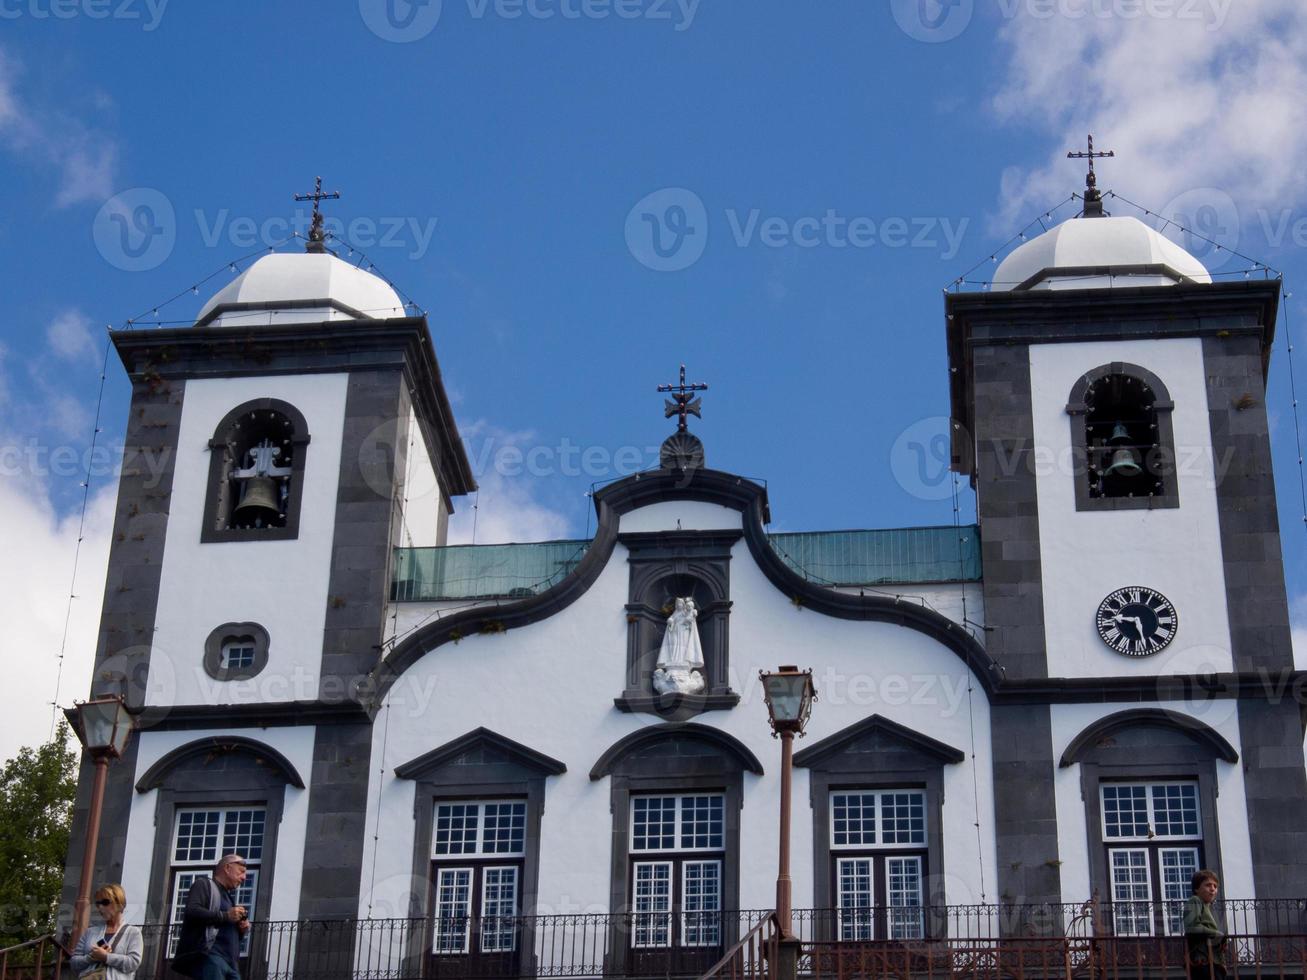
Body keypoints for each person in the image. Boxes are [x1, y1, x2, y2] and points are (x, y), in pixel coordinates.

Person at [171, 854, 251, 980]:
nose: (244, 877)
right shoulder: (204, 884)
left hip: (231, 964)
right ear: (227, 868)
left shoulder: (229, 898)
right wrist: (226, 915)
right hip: (212, 957)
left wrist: (241, 930)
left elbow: (224, 929)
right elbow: (192, 911)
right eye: (241, 872)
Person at [70, 884, 143, 980]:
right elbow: (74, 963)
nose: (100, 907)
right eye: (98, 904)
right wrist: (90, 958)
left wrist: (106, 957)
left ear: (119, 903)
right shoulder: (90, 932)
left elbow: (133, 963)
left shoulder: (133, 932)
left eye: (105, 902)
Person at [1184, 869, 1227, 980]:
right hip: (1202, 960)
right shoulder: (1195, 900)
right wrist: (1216, 933)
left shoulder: (1207, 906)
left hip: (1211, 960)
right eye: (1208, 885)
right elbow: (1192, 927)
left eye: (1215, 886)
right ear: (1197, 889)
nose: (1213, 889)